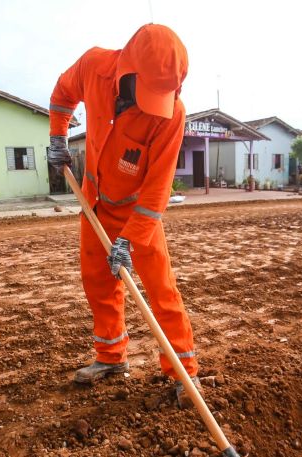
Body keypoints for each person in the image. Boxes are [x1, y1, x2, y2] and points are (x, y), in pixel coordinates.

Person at [47, 24, 201, 408]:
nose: (155, 103)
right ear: (128, 69)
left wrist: (130, 238)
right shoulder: (93, 66)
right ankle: (111, 357)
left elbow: (157, 189)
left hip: (137, 212)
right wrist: (57, 138)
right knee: (97, 282)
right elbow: (62, 95)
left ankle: (185, 372)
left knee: (160, 290)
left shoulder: (172, 114)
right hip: (94, 201)